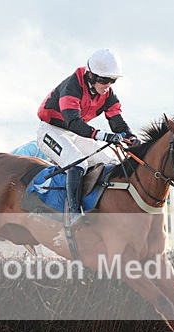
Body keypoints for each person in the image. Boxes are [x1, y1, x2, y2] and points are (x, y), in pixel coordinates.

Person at [36, 48, 139, 226]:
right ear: (91, 75)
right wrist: (105, 136)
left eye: (112, 80)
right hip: (51, 131)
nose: (108, 85)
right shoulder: (72, 87)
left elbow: (116, 120)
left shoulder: (108, 93)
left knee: (109, 161)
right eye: (104, 80)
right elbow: (73, 122)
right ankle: (74, 214)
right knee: (78, 162)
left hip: (74, 133)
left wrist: (131, 137)